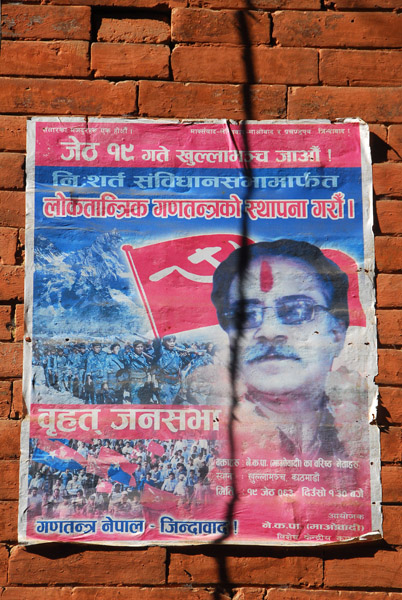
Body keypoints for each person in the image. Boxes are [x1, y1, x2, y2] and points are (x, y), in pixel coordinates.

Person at [211, 239, 354, 458]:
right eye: (246, 315)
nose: (269, 331)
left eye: (297, 310)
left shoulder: (356, 436)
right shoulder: (207, 441)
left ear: (336, 334)